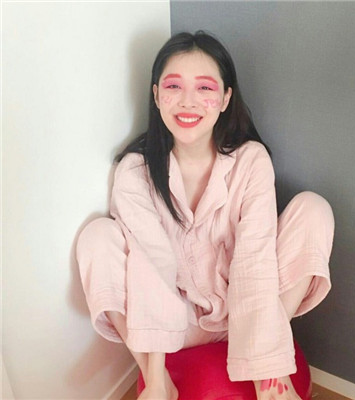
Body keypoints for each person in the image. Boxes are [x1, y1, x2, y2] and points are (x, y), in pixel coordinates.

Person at [76, 31, 334, 400]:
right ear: (156, 95)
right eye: (174, 86)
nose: (188, 101)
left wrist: (269, 377)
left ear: (226, 97)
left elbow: (254, 256)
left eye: (204, 88)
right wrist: (154, 375)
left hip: (246, 312)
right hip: (176, 326)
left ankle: (270, 382)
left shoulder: (251, 159)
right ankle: (160, 384)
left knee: (314, 208)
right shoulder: (135, 171)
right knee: (97, 236)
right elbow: (151, 266)